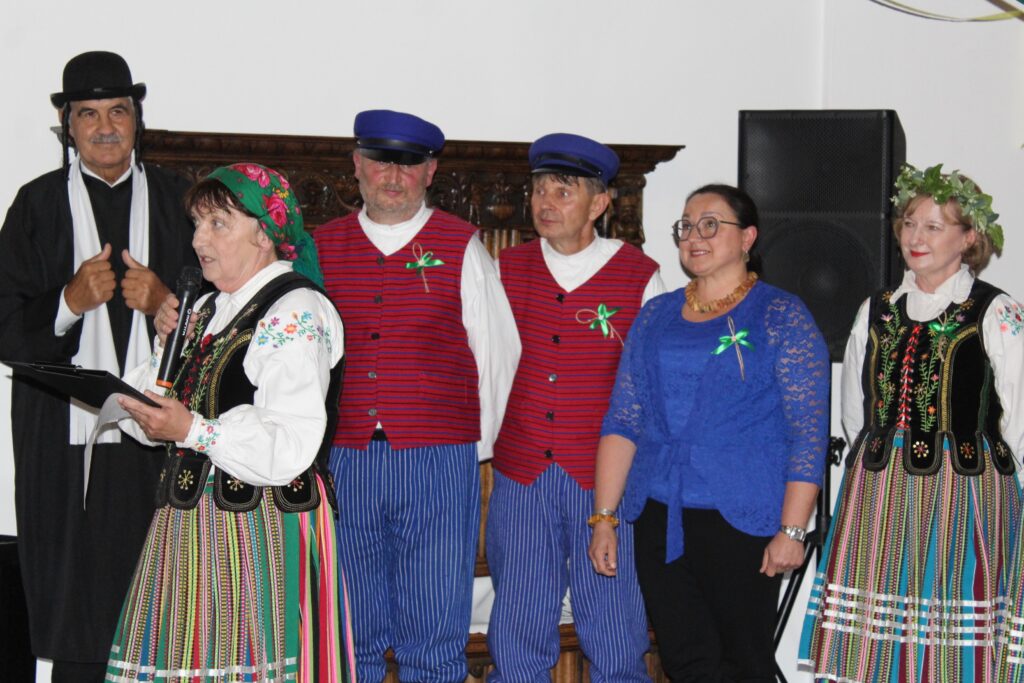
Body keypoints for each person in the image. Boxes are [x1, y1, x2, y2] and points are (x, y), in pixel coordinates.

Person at [107, 163, 353, 681]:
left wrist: (192, 431)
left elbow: (291, 442)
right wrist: (153, 371)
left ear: (265, 233)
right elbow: (152, 407)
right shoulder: (206, 308)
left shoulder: (295, 310)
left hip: (261, 525)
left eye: (218, 223)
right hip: (192, 522)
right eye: (198, 223)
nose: (199, 238)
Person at [0, 51, 195, 682]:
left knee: (165, 604)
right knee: (77, 607)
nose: (105, 127)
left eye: (118, 112)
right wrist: (68, 303)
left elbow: (226, 323)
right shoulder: (35, 206)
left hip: (161, 434)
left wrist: (165, 302)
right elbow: (6, 327)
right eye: (89, 114)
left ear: (138, 121)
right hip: (64, 441)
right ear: (68, 125)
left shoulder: (181, 201)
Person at [588, 184, 829, 682]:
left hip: (742, 520)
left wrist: (792, 530)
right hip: (659, 515)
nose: (694, 236)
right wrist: (604, 518)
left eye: (711, 225)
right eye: (686, 226)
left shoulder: (780, 315)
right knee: (684, 661)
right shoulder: (656, 315)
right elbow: (624, 417)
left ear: (748, 238)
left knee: (743, 663)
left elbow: (808, 431)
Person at [314, 109, 520, 682]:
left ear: (430, 172)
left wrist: (472, 449)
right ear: (357, 165)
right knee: (350, 629)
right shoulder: (320, 248)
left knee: (433, 631)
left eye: (408, 165)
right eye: (381, 162)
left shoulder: (462, 246)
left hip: (437, 462)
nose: (393, 177)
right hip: (344, 460)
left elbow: (497, 356)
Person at [800, 163, 1024, 682]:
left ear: (969, 237)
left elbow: (1019, 413)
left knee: (952, 616)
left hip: (965, 489)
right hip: (880, 488)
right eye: (909, 223)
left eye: (933, 226)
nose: (915, 237)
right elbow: (855, 410)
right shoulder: (877, 309)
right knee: (880, 634)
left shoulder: (995, 311)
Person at [486, 133, 665, 682]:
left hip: (605, 480)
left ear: (599, 203)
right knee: (518, 627)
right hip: (521, 475)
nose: (546, 202)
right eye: (540, 189)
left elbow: (654, 389)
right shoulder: (503, 269)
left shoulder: (640, 275)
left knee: (614, 628)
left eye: (563, 191)